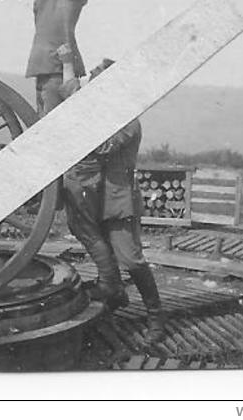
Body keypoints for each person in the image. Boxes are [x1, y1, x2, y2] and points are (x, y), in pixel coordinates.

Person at [58, 50, 165, 343]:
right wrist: (67, 62)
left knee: (131, 260)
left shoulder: (128, 121)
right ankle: (113, 292)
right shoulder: (100, 112)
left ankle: (156, 316)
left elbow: (101, 145)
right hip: (93, 195)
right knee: (93, 242)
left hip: (117, 202)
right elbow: (70, 90)